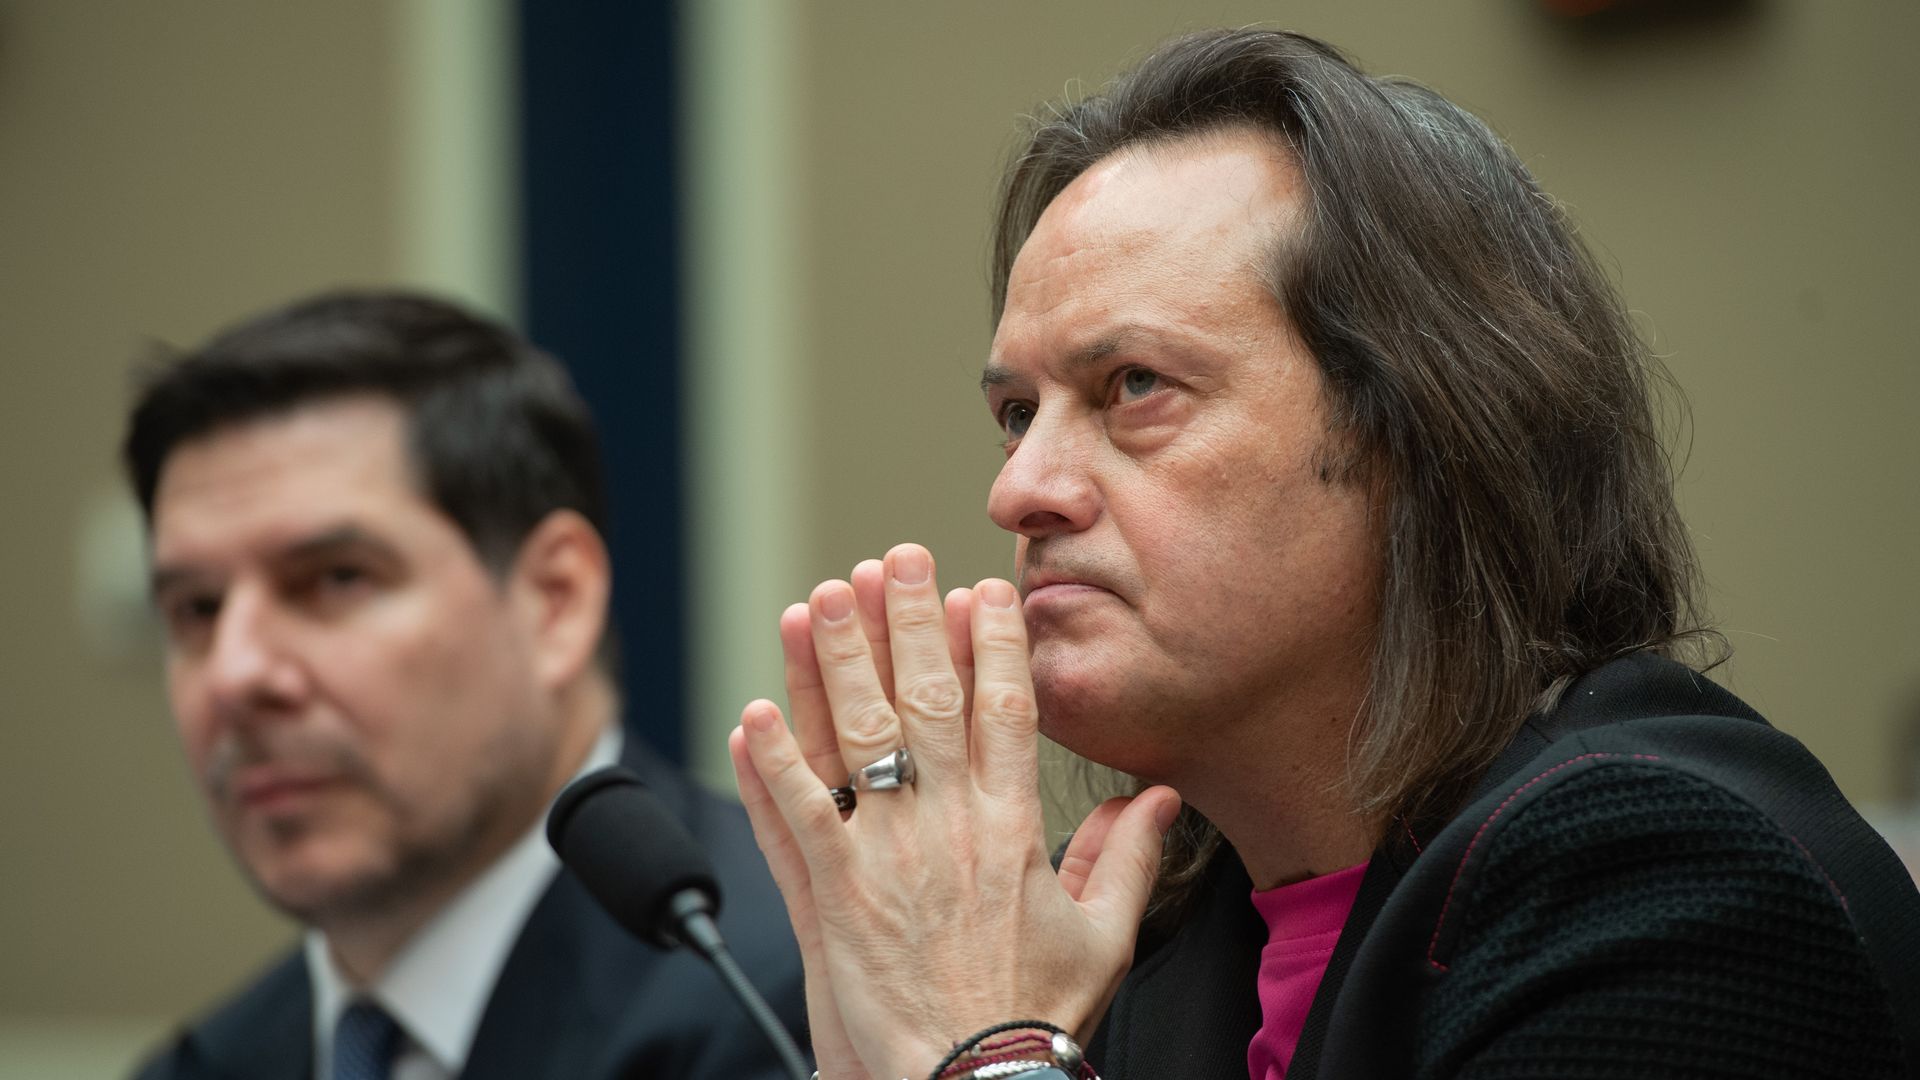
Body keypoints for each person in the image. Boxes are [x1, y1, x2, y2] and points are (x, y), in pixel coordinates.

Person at [726, 28, 1920, 1080]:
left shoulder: (1663, 886)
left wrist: (989, 1058)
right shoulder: (1152, 941)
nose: (1019, 488)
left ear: (1422, 426)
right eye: (1017, 413)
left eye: (1134, 386)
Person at [124, 290, 806, 1079]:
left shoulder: (789, 1007)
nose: (236, 675)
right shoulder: (204, 1066)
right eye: (196, 608)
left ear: (555, 600)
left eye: (335, 580)